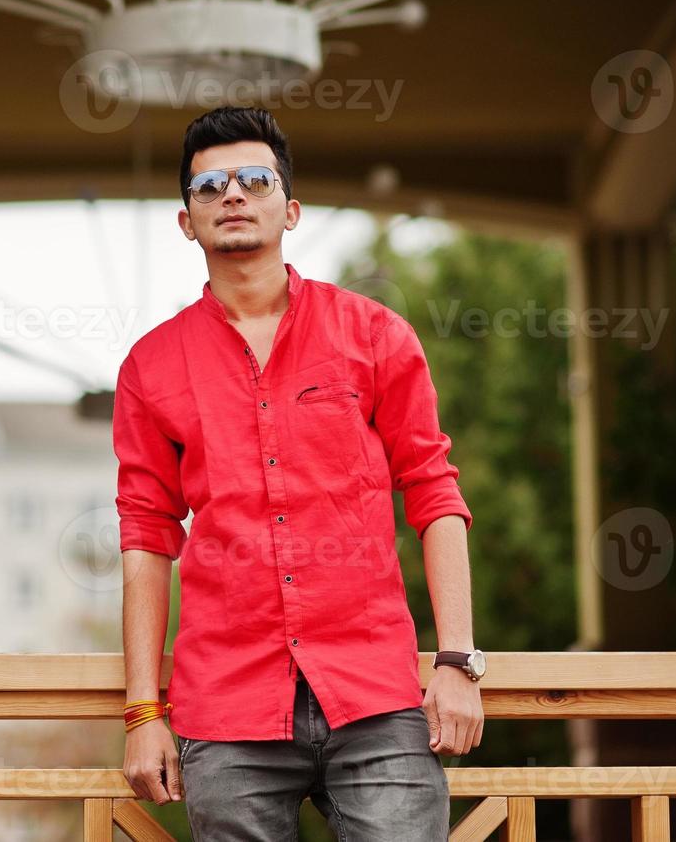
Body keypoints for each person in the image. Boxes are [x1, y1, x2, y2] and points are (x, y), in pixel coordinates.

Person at [114, 105, 485, 840]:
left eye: (254, 179)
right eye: (208, 185)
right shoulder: (150, 367)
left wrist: (456, 664)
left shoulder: (374, 335)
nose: (232, 195)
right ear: (186, 221)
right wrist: (143, 713)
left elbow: (434, 493)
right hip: (226, 709)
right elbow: (145, 538)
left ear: (290, 209)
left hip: (374, 697)